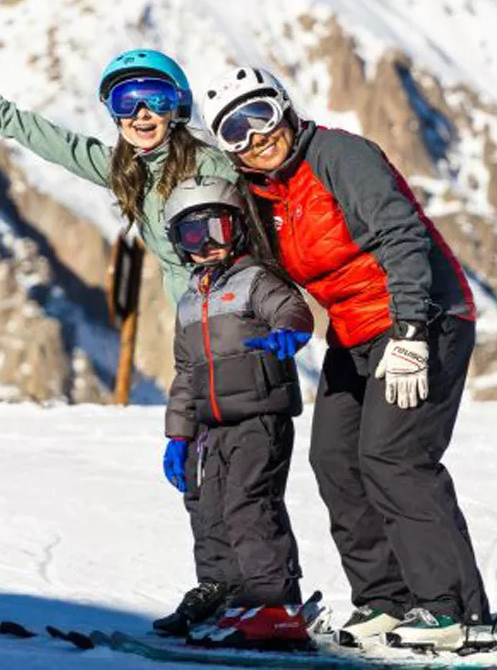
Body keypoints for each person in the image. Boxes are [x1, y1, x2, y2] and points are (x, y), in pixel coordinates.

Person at [0, 51, 244, 636]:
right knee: (201, 466)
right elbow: (60, 146)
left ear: (179, 106)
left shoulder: (210, 166)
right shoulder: (129, 169)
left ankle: (266, 593)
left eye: (155, 97)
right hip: (193, 332)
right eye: (127, 102)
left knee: (243, 465)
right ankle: (220, 583)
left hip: (238, 327)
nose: (143, 113)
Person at [199, 66, 490, 651]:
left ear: (283, 107)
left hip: (423, 318)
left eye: (260, 115)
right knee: (333, 455)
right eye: (236, 130)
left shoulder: (337, 155)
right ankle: (387, 598)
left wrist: (410, 328)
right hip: (354, 333)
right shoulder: (263, 195)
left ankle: (454, 611)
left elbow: (401, 234)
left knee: (396, 456)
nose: (256, 137)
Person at [159, 175, 314, 646]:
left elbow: (291, 309)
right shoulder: (189, 302)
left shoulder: (254, 281)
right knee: (207, 509)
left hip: (259, 416)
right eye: (192, 235)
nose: (205, 244)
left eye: (217, 230)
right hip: (210, 425)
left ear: (238, 230)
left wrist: (290, 330)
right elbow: (186, 372)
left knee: (250, 503)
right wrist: (179, 435)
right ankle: (223, 595)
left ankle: (274, 605)